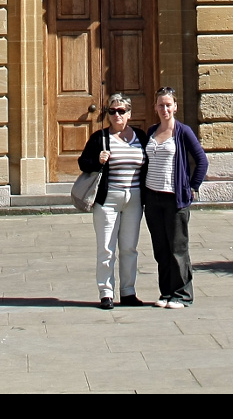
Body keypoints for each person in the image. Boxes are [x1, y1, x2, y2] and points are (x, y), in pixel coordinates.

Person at [141, 86, 208, 310]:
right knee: (161, 249)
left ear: (175, 107)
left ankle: (182, 294)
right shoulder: (151, 131)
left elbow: (201, 160)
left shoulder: (183, 131)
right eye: (161, 105)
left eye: (168, 105)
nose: (164, 109)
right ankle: (166, 292)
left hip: (174, 199)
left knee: (178, 248)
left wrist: (192, 186)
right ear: (155, 107)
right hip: (153, 198)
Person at [78, 92, 146, 310]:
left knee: (129, 248)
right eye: (112, 111)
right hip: (108, 200)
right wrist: (97, 160)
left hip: (134, 199)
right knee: (106, 248)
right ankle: (106, 293)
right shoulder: (100, 138)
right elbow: (83, 163)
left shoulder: (140, 137)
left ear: (129, 114)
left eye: (121, 111)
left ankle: (128, 291)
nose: (117, 115)